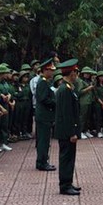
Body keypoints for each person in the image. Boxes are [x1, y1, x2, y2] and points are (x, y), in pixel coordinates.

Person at [54, 59, 81, 196]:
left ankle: (68, 183)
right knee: (66, 158)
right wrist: (72, 132)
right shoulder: (65, 90)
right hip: (66, 131)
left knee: (69, 157)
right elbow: (67, 114)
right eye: (75, 72)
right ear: (71, 73)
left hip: (67, 130)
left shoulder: (67, 88)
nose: (76, 75)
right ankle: (65, 185)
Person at [34, 58, 57, 171]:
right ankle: (42, 162)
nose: (52, 72)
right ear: (45, 70)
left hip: (45, 115)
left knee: (44, 140)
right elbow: (43, 99)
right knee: (43, 140)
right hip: (44, 115)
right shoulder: (42, 82)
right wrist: (55, 102)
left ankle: (43, 160)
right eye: (51, 70)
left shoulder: (44, 82)